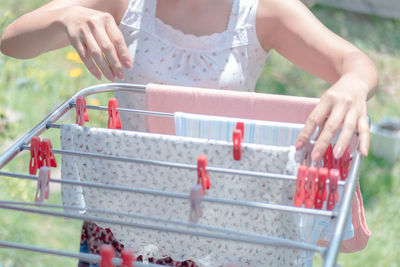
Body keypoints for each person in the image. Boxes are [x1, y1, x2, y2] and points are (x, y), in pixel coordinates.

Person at [0, 0, 378, 265]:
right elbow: (12, 41)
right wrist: (68, 16)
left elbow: (355, 62)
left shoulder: (262, 10)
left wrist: (353, 84)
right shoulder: (125, 2)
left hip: (218, 219)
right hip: (128, 215)